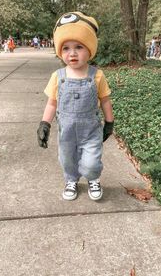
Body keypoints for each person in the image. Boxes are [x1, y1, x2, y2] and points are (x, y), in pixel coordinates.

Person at [37, 11, 114, 201]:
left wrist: (109, 123)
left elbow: (105, 100)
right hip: (67, 131)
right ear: (59, 51)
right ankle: (71, 180)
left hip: (91, 130)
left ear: (89, 49)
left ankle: (93, 178)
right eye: (66, 48)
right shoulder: (58, 76)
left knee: (91, 162)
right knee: (67, 159)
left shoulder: (97, 76)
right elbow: (52, 103)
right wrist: (44, 124)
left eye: (79, 47)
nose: (72, 53)